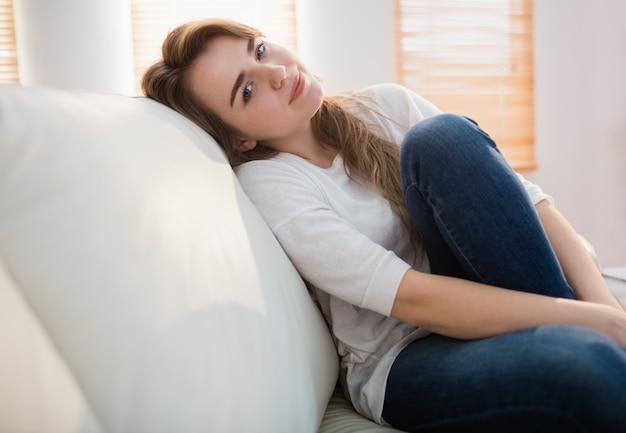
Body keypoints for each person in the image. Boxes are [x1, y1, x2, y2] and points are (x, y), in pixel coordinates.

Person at [142, 18, 626, 432]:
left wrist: (607, 312)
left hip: (495, 293)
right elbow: (413, 298)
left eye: (261, 49)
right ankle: (589, 340)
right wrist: (591, 321)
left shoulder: (386, 106)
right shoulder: (271, 185)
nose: (276, 72)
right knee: (583, 364)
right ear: (240, 140)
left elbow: (534, 204)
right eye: (246, 90)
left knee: (444, 137)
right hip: (405, 358)